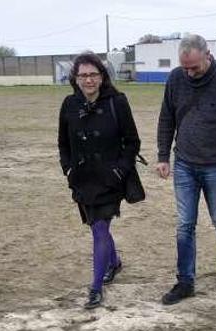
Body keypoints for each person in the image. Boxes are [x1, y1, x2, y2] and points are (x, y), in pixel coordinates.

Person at [155, 34, 216, 305]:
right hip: (184, 163)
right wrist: (163, 155)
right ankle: (185, 281)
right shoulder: (176, 79)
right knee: (185, 224)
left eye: (194, 67)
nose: (189, 72)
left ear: (208, 55)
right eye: (185, 67)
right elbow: (167, 118)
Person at [58, 52, 142, 309]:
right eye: (83, 75)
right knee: (97, 226)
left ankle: (95, 287)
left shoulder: (117, 101)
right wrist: (68, 170)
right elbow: (63, 143)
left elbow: (132, 142)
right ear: (75, 77)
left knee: (99, 229)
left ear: (102, 76)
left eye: (93, 74)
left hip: (109, 180)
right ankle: (113, 262)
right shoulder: (69, 105)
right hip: (82, 178)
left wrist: (119, 171)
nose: (88, 80)